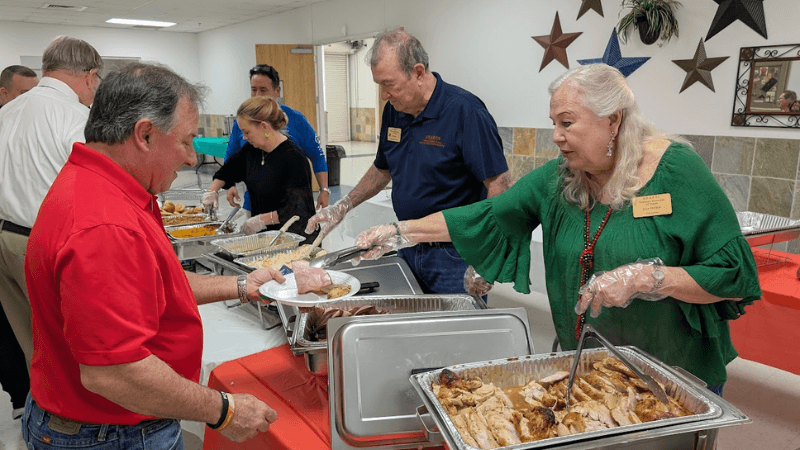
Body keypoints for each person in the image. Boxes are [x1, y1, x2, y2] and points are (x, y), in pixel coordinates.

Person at [354, 64, 762, 393]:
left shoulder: (677, 172)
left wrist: (649, 277)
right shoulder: (559, 178)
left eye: (567, 123)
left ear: (613, 122)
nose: (557, 137)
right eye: (554, 122)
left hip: (672, 373)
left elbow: (735, 275)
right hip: (588, 365)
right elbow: (486, 215)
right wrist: (399, 231)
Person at [23, 62, 282, 449]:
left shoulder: (108, 185)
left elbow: (156, 283)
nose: (193, 159)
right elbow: (113, 373)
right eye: (185, 141)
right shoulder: (104, 226)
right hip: (109, 433)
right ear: (144, 134)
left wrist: (242, 285)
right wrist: (224, 410)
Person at [306, 29, 511, 294]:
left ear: (417, 72)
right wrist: (343, 205)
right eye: (379, 84)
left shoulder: (465, 112)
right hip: (406, 245)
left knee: (454, 331)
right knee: (409, 324)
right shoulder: (395, 110)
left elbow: (500, 185)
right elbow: (383, 168)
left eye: (389, 84)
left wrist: (487, 257)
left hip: (455, 254)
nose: (383, 95)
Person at [0, 36, 102, 373]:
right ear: (89, 75)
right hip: (44, 244)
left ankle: (41, 412)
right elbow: (97, 188)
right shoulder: (75, 116)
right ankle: (74, 422)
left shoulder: (9, 111)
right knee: (67, 347)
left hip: (4, 240)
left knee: (32, 345)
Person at [205, 96, 319, 240]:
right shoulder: (251, 150)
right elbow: (228, 170)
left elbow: (297, 211)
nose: (244, 137)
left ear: (264, 127)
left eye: (247, 132)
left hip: (293, 238)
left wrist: (261, 220)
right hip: (265, 236)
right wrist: (212, 191)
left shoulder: (293, 159)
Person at [225, 64, 330, 210]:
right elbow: (230, 156)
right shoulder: (242, 122)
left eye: (263, 90)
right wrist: (229, 184)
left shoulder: (297, 120)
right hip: (255, 205)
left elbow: (317, 156)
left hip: (292, 208)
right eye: (253, 89)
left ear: (277, 91)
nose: (257, 96)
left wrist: (324, 190)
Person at [0, 64, 38, 420]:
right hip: (12, 236)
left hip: (15, 233)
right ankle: (22, 396)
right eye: (26, 94)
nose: (33, 101)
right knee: (14, 325)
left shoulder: (29, 128)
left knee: (24, 326)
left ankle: (28, 398)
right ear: (4, 93)